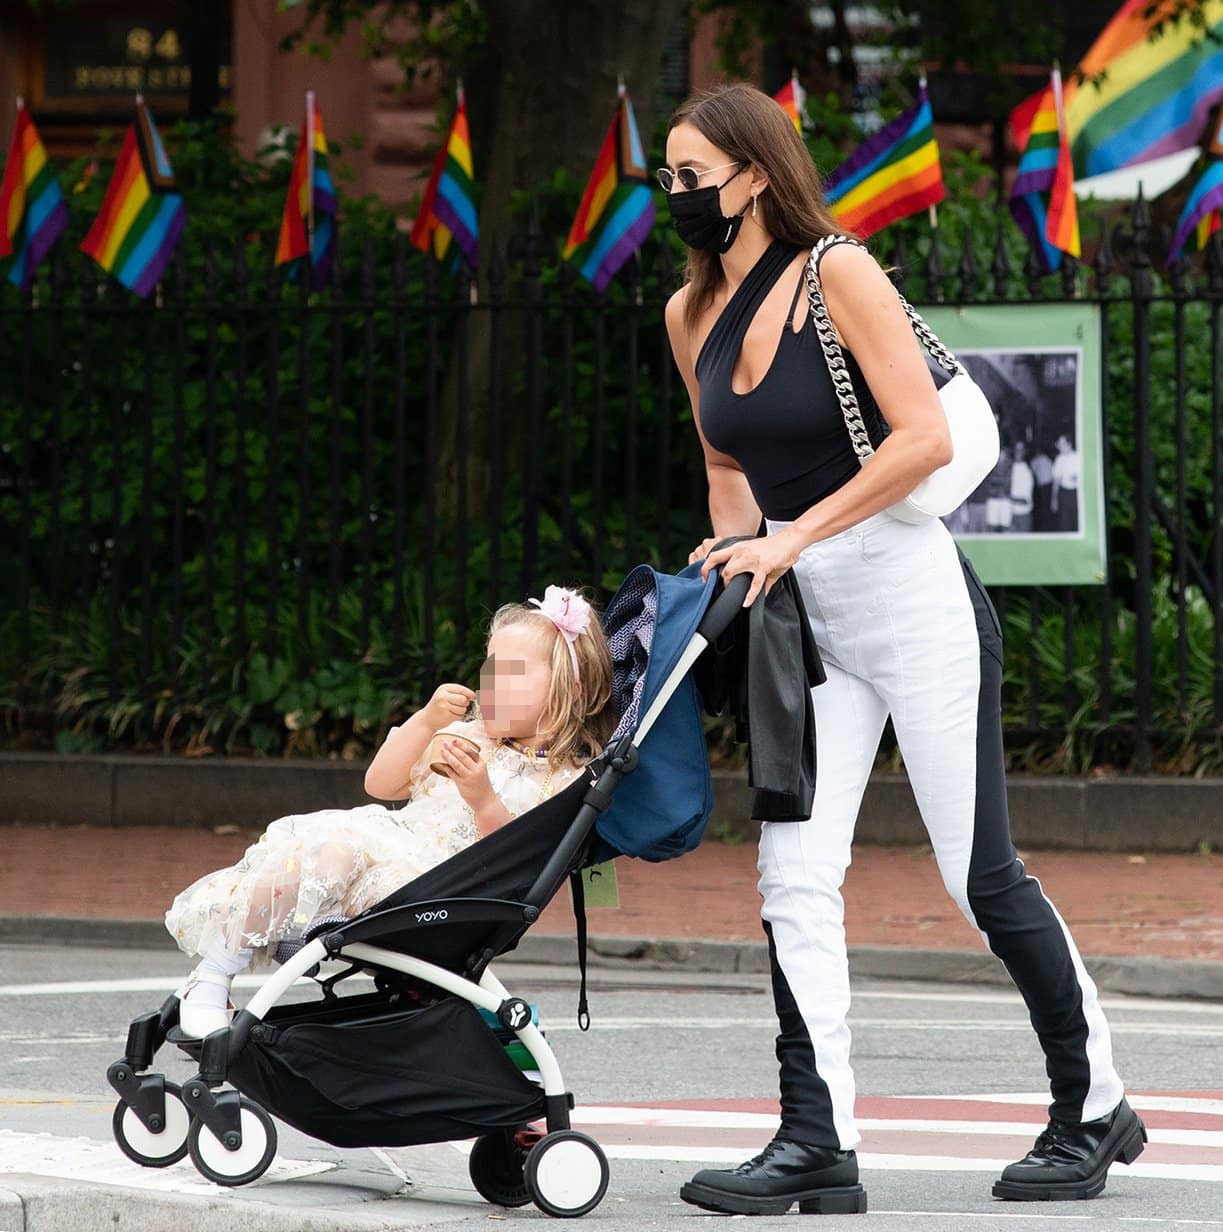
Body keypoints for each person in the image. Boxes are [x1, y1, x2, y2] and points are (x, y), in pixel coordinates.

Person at [659, 82, 1143, 1216]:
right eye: (664, 179)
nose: (677, 198)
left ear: (757, 175)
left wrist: (790, 538)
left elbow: (921, 439)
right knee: (790, 875)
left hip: (910, 596)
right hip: (803, 622)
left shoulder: (837, 272)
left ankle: (1092, 1104)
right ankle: (814, 1136)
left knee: (977, 875)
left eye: (694, 177)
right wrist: (734, 549)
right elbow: (730, 474)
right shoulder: (688, 316)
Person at [165, 586, 615, 1038]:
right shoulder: (470, 735)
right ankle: (216, 971)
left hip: (441, 888)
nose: (491, 684)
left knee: (372, 876)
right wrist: (426, 722)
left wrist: (483, 799)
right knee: (328, 850)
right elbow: (380, 784)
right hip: (391, 841)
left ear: (567, 689)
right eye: (489, 669)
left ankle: (304, 926)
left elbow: (518, 857)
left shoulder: (563, 779)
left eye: (512, 674)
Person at [1051, 432, 1082, 532]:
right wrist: (1054, 500)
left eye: (1061, 444)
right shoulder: (1059, 459)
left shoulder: (1079, 457)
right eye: (1058, 444)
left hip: (1077, 493)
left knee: (1077, 522)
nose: (1059, 446)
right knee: (1064, 524)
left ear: (1069, 444)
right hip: (1064, 494)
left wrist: (1078, 478)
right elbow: (1056, 480)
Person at [1010, 439, 1035, 533]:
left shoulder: (1027, 472)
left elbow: (1025, 501)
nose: (1018, 452)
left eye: (1021, 449)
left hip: (1023, 516)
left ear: (1025, 452)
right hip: (1010, 515)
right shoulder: (1010, 468)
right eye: (1016, 449)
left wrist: (1007, 497)